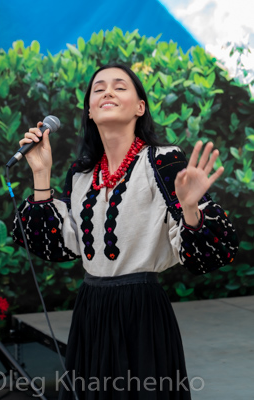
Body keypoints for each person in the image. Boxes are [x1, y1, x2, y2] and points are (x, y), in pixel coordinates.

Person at [13, 63, 239, 400]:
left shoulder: (163, 161)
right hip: (91, 311)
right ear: (89, 110)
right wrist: (41, 174)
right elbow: (57, 247)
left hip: (141, 312)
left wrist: (191, 209)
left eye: (120, 86)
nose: (107, 91)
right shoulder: (82, 174)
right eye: (98, 88)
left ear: (139, 107)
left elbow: (215, 253)